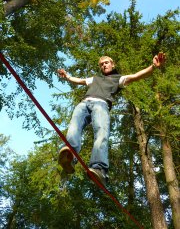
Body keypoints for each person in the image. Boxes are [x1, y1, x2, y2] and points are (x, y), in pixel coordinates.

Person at [57, 52, 165, 186]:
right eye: (101, 64)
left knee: (101, 132)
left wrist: (153, 67)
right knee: (74, 127)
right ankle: (69, 156)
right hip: (84, 103)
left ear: (112, 64)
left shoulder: (118, 79)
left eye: (106, 63)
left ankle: (99, 168)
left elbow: (136, 76)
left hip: (101, 104)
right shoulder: (94, 78)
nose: (104, 65)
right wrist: (67, 76)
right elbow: (79, 80)